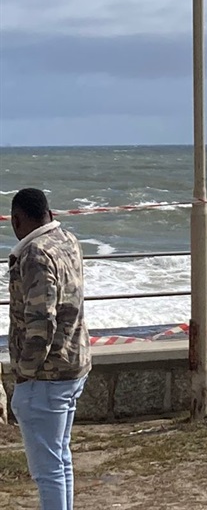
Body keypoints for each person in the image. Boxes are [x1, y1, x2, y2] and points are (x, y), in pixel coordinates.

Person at [8, 188, 91, 510]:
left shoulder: (36, 253)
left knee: (47, 470)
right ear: (49, 213)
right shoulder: (68, 240)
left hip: (46, 376)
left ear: (17, 219)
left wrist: (25, 373)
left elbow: (42, 322)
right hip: (73, 363)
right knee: (59, 459)